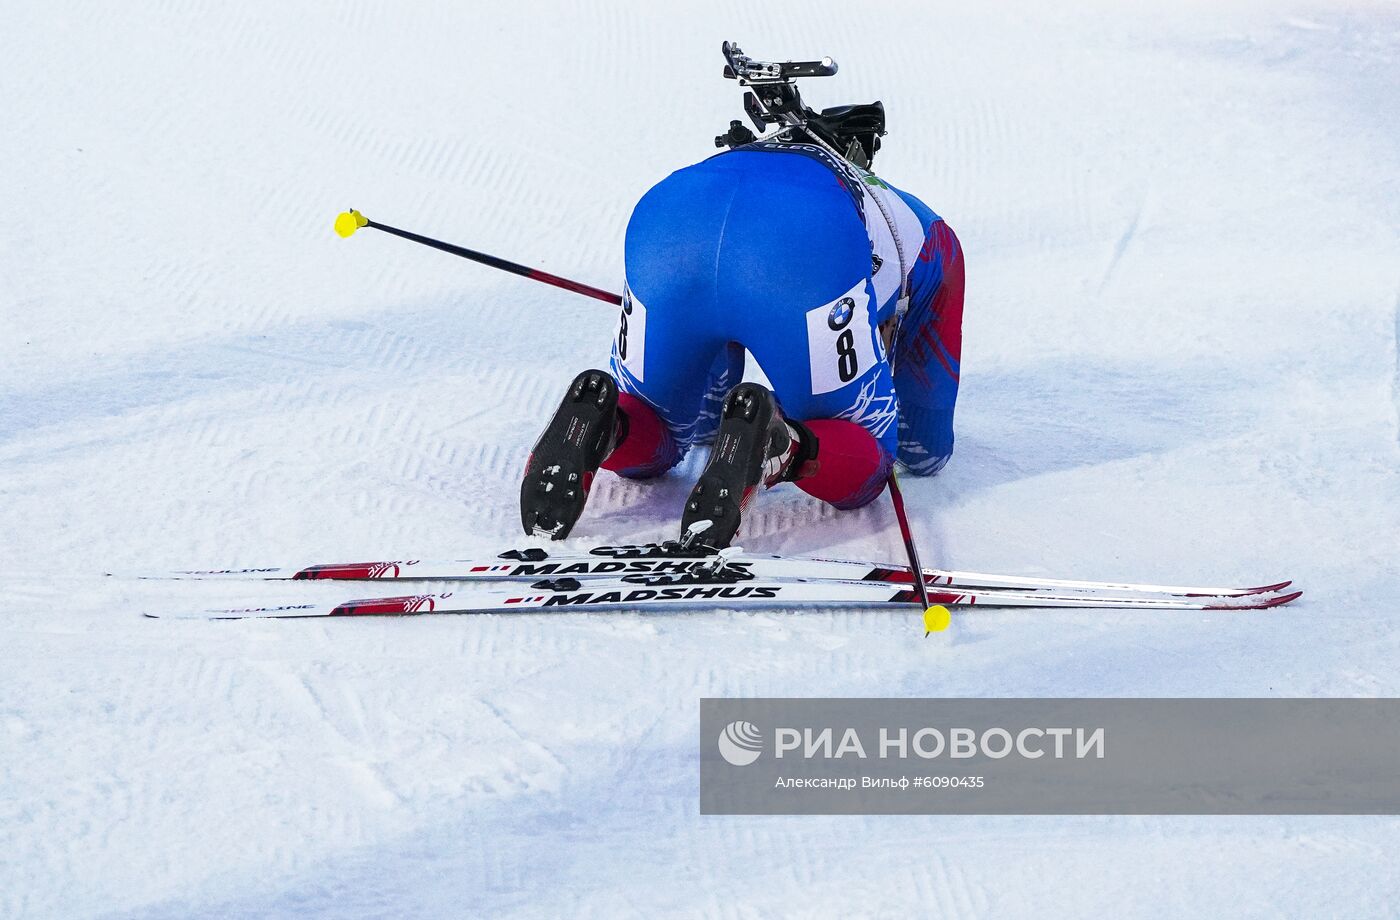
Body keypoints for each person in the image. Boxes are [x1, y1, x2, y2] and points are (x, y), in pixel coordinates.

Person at [521, 82, 964, 549]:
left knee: (669, 426)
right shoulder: (925, 230)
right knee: (868, 455)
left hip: (671, 217)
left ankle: (607, 427)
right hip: (805, 244)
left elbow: (711, 415)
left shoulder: (739, 161)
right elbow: (926, 445)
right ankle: (784, 445)